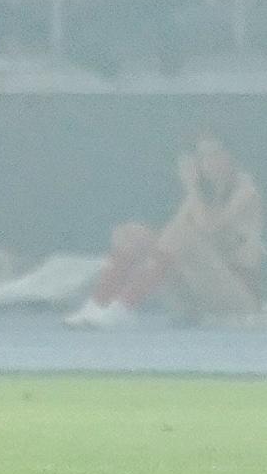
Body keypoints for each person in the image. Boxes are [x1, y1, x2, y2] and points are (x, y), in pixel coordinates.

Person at [65, 132, 263, 329]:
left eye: (214, 153)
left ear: (231, 156)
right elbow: (168, 237)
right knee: (135, 234)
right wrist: (135, 240)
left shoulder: (246, 190)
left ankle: (124, 306)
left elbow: (208, 227)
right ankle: (97, 304)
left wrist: (191, 186)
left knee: (181, 234)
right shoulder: (201, 194)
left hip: (237, 297)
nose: (207, 162)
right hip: (196, 294)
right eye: (201, 156)